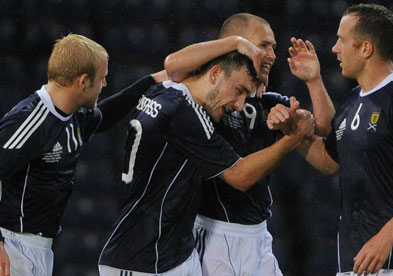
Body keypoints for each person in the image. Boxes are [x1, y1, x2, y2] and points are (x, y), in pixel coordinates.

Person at [97, 51, 315, 276]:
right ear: (215, 74)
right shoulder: (184, 112)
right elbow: (239, 175)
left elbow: (174, 67)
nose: (240, 105)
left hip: (173, 254)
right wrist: (292, 140)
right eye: (238, 91)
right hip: (142, 260)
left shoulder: (160, 90)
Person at [268, 4, 393, 276]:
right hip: (353, 262)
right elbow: (329, 162)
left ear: (365, 48)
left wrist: (385, 238)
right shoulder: (352, 100)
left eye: (342, 40)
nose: (335, 48)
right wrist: (292, 130)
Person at [164, 13, 335, 275]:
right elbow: (172, 67)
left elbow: (324, 139)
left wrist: (313, 81)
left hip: (259, 236)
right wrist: (232, 45)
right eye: (263, 45)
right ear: (239, 43)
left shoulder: (267, 102)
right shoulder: (204, 92)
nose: (272, 54)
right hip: (217, 234)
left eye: (273, 48)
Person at [0, 33, 164, 276]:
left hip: (37, 248)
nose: (105, 85)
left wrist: (155, 81)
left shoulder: (72, 115)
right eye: (102, 79)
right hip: (13, 246)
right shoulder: (29, 121)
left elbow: (107, 114)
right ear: (83, 81)